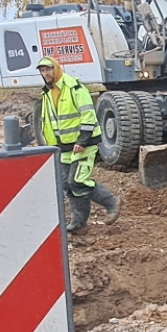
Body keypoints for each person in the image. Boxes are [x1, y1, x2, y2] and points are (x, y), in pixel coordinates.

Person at [36, 56, 120, 233]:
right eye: (43, 71)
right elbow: (49, 123)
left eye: (48, 69)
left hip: (84, 145)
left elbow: (88, 116)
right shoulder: (47, 93)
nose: (46, 74)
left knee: (77, 181)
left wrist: (82, 141)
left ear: (56, 69)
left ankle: (111, 202)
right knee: (68, 185)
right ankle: (79, 223)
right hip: (64, 147)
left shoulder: (75, 88)